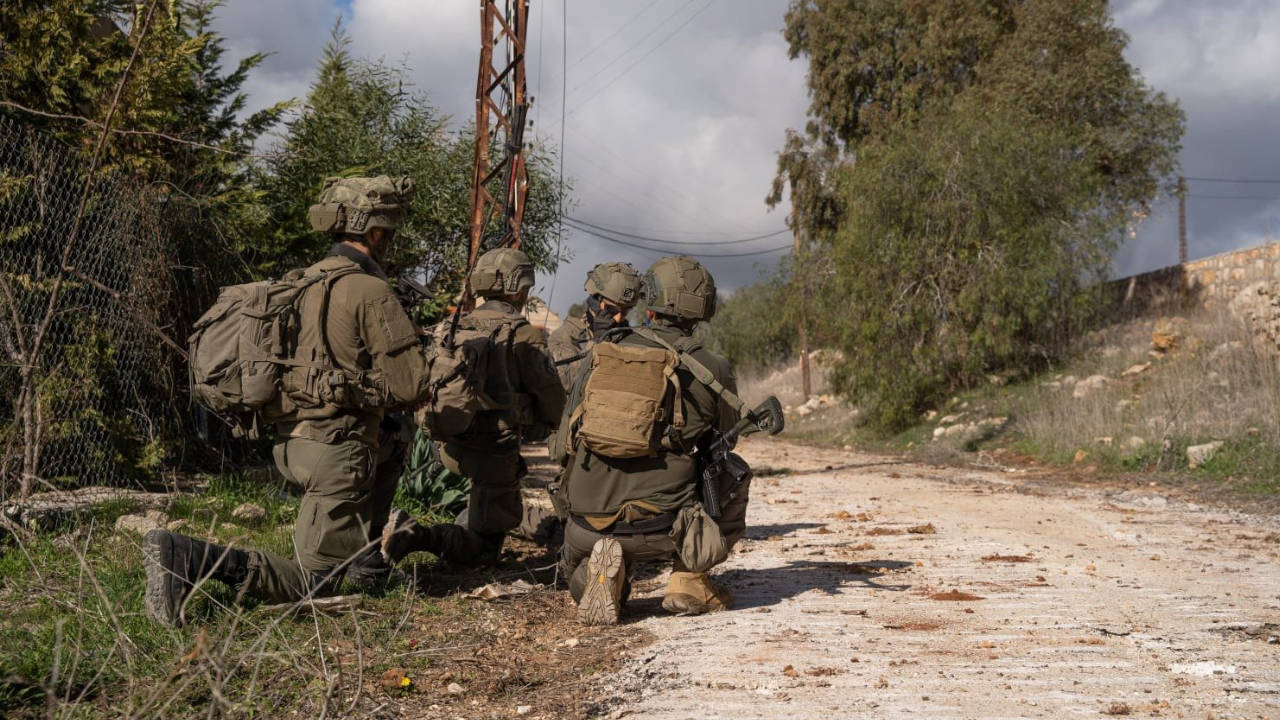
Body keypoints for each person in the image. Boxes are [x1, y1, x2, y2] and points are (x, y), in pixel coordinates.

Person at [142, 175, 453, 625]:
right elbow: (410, 387)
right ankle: (189, 556)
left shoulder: (300, 282)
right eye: (390, 232)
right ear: (376, 232)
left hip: (291, 446)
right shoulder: (370, 290)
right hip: (338, 454)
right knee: (312, 584)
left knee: (394, 435)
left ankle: (365, 559)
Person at [552, 255, 747, 626]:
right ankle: (689, 578)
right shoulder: (712, 366)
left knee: (581, 565)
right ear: (703, 307)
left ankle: (599, 573)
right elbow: (727, 437)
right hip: (664, 528)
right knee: (734, 471)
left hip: (585, 524)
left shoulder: (602, 352)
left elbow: (565, 441)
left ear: (651, 299)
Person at [382, 247, 566, 566]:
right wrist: (545, 424)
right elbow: (553, 402)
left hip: (450, 447)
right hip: (494, 451)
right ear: (520, 288)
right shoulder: (522, 334)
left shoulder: (454, 326)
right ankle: (413, 534)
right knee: (483, 551)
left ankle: (472, 521)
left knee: (494, 500)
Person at [547, 262, 643, 390]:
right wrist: (598, 344)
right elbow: (568, 385)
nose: (619, 318)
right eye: (612, 310)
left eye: (626, 311)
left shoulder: (629, 338)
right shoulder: (564, 338)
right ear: (594, 303)